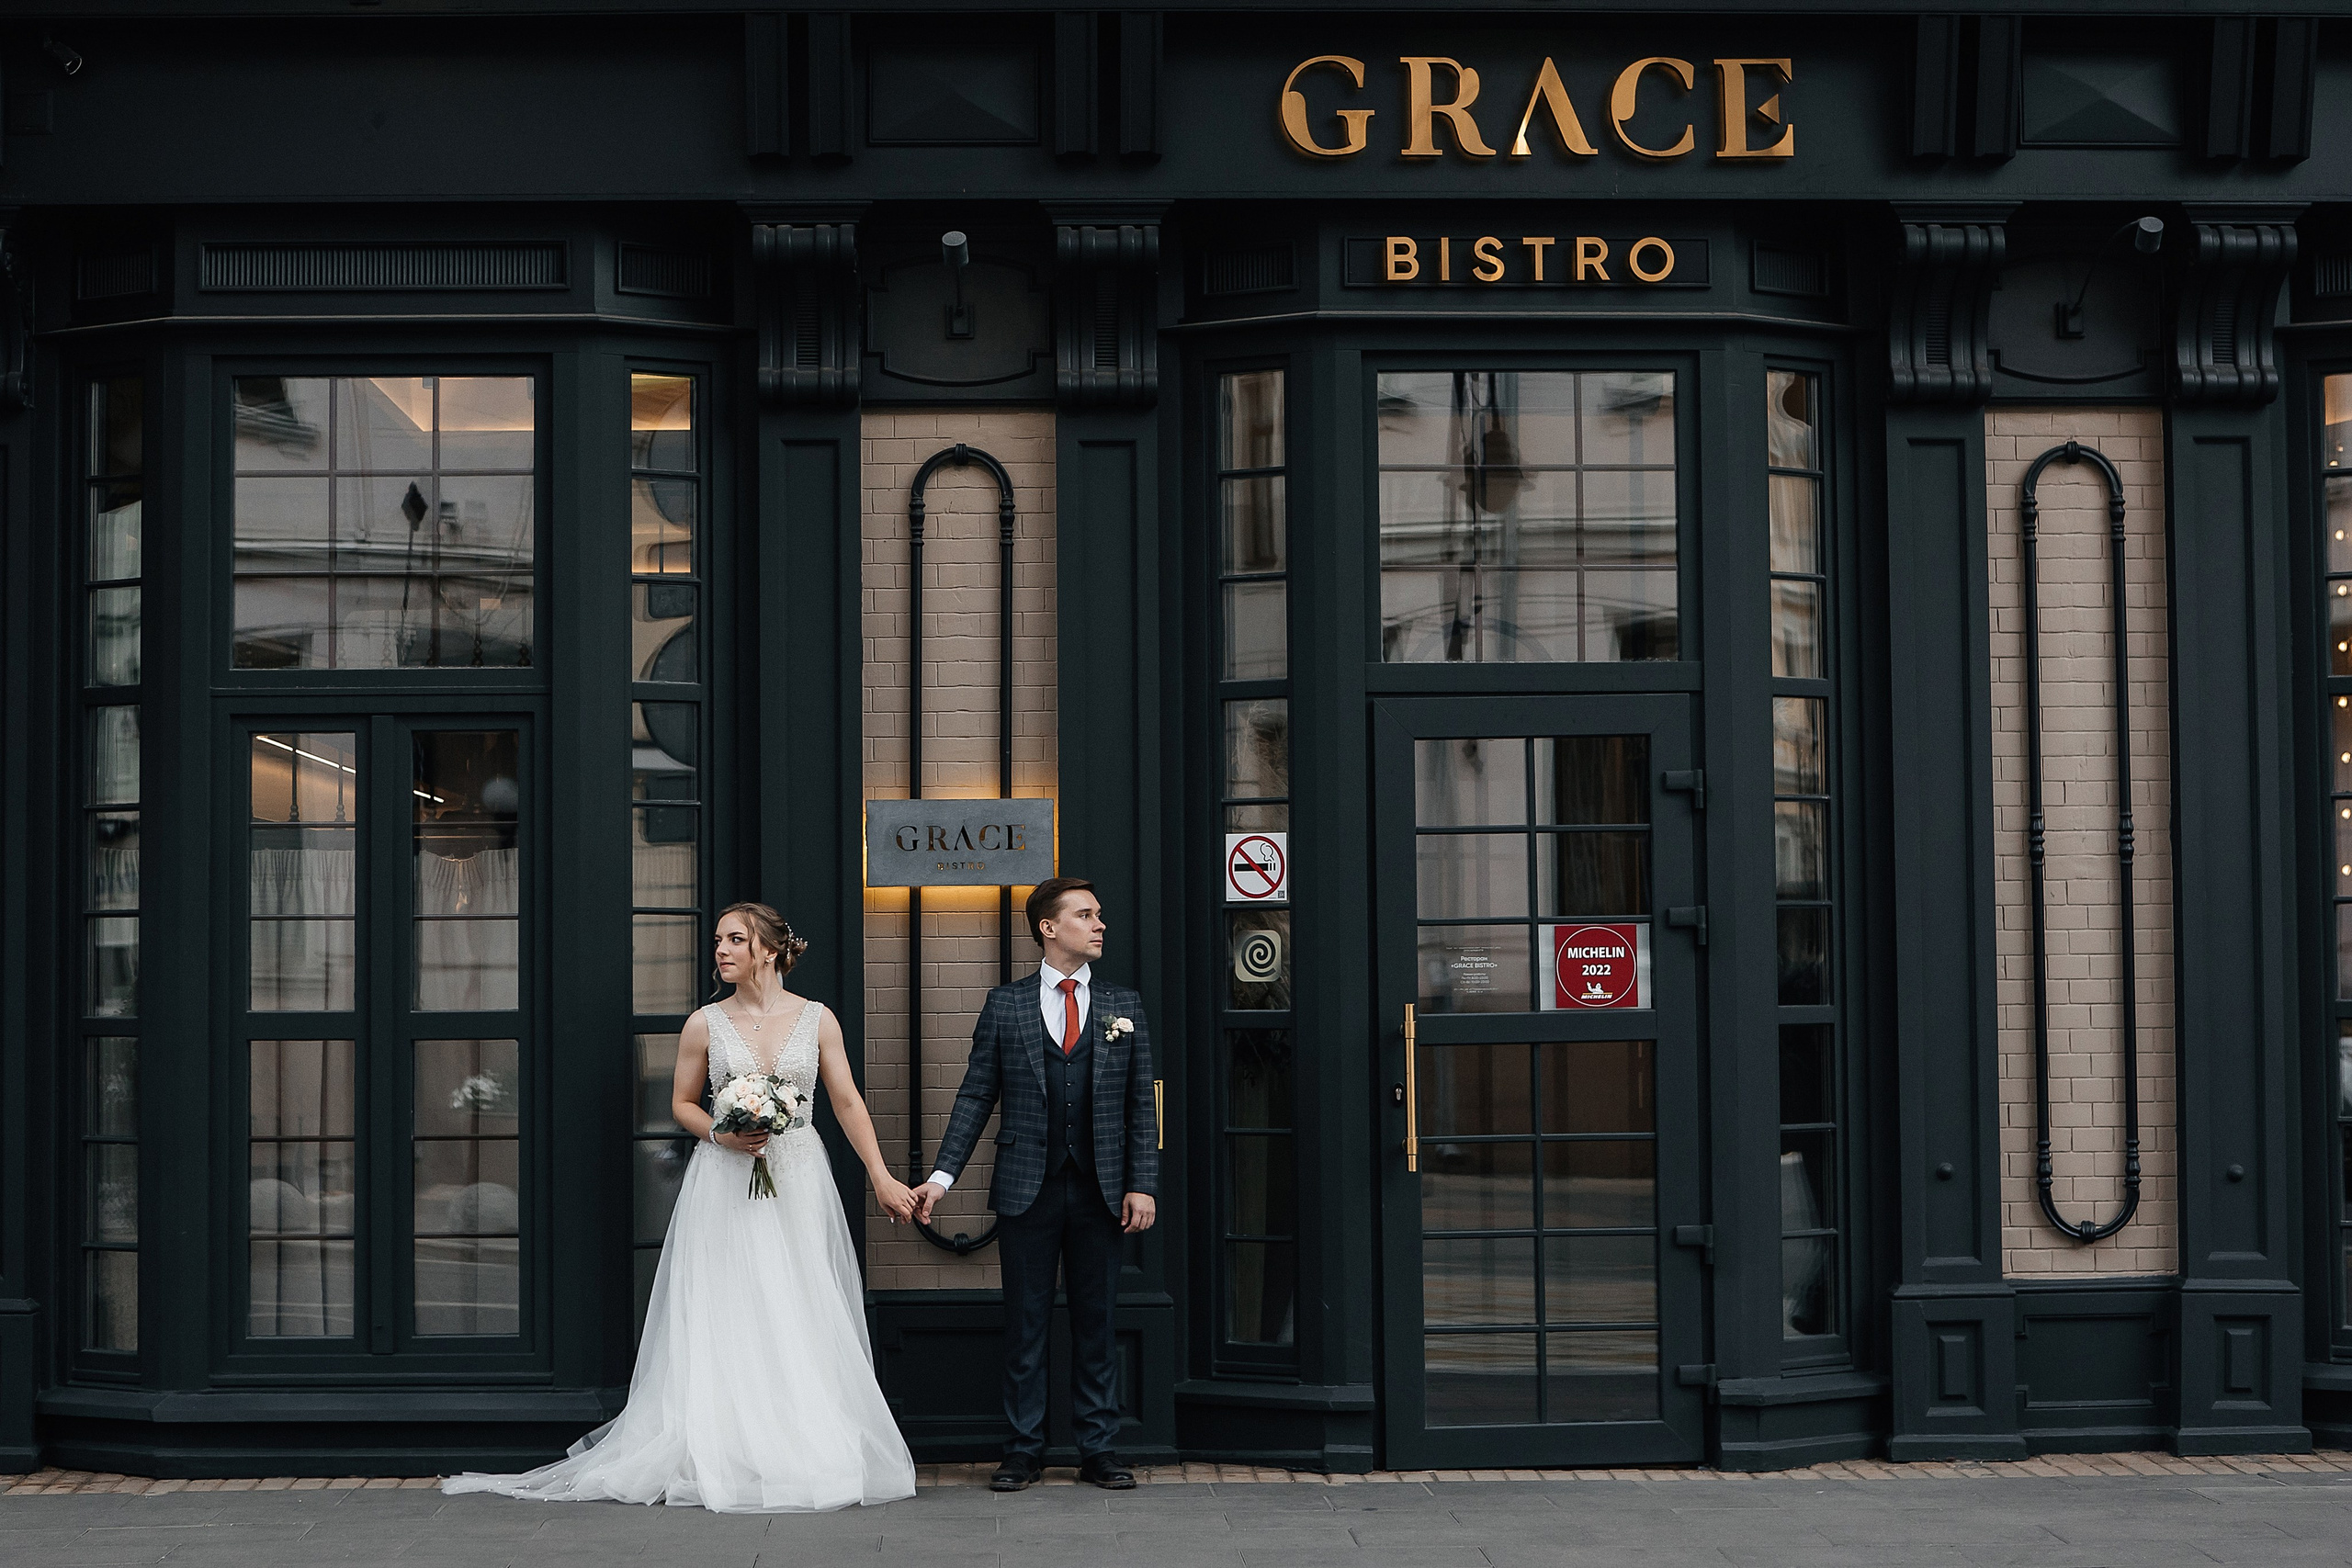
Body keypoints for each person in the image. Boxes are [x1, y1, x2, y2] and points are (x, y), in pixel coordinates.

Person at [445, 902, 920, 1512]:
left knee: (798, 1297)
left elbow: (848, 1101)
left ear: (769, 950)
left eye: (735, 939)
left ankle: (800, 1446)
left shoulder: (818, 1019)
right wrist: (722, 1133)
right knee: (730, 1302)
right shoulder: (705, 1022)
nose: (720, 949)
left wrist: (880, 1175)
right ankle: (724, 1443)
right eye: (718, 939)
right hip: (724, 1177)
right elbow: (684, 1103)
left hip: (798, 1171)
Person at [910, 876, 1159, 1491]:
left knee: (1097, 1322)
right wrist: (942, 1177)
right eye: (1085, 914)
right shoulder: (1007, 1005)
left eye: (1100, 914)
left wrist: (1142, 1184)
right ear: (1048, 927)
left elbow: (1139, 1109)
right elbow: (975, 1095)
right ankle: (1023, 1449)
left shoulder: (1124, 1004)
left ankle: (1098, 1448)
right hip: (1028, 1187)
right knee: (1025, 1322)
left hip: (1103, 1190)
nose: (1100, 924)